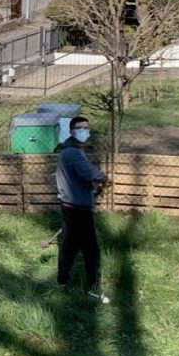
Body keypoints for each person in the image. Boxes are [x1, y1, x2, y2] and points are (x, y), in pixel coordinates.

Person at [56, 117, 110, 302]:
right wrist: (103, 178)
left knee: (70, 245)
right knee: (91, 249)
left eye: (87, 128)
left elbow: (79, 175)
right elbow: (87, 172)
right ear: (71, 131)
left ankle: (62, 281)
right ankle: (93, 288)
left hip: (71, 205)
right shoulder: (72, 153)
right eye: (80, 128)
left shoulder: (72, 151)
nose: (84, 131)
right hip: (77, 208)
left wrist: (91, 187)